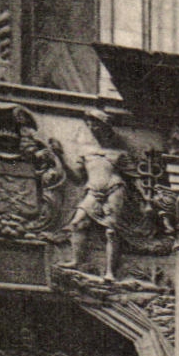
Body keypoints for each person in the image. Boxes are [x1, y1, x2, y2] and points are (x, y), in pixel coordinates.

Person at [57, 110, 129, 279]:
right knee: (77, 222)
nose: (92, 127)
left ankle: (110, 271)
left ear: (105, 127)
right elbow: (76, 177)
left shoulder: (119, 152)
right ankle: (76, 260)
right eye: (90, 124)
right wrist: (60, 156)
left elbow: (134, 176)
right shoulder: (86, 151)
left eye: (96, 124)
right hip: (93, 189)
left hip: (115, 188)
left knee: (111, 230)